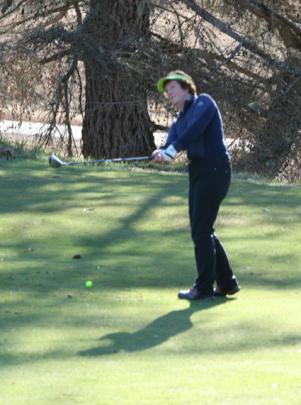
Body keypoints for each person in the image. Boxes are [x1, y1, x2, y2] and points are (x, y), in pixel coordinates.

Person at [153, 70, 240, 300]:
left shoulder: (204, 103)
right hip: (198, 171)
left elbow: (195, 131)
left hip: (216, 169)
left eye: (172, 87)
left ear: (186, 87)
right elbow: (172, 143)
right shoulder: (178, 121)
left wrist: (172, 150)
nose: (168, 93)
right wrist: (162, 152)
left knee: (201, 229)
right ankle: (227, 283)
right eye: (166, 90)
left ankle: (203, 287)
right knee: (202, 229)